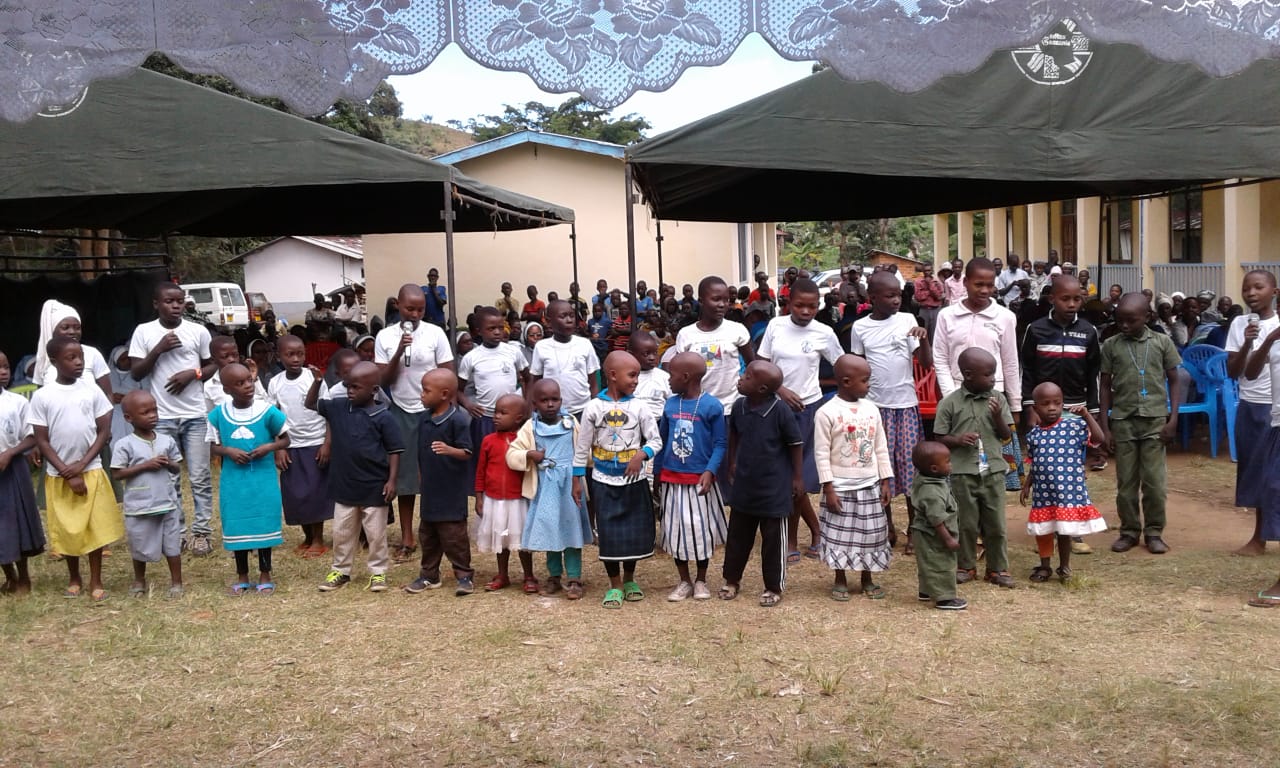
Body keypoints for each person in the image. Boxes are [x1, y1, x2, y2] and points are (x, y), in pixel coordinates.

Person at [756, 278, 842, 563]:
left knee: (797, 477)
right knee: (784, 476)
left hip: (808, 409)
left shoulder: (824, 332)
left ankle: (795, 538)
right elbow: (762, 365)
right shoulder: (775, 326)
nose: (806, 311)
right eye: (799, 305)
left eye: (812, 306)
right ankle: (814, 531)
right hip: (776, 408)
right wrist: (779, 389)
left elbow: (842, 366)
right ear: (788, 303)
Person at [296, 361, 400, 592]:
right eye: (347, 386)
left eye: (356, 387)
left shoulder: (383, 416)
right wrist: (317, 381)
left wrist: (392, 480)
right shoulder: (338, 407)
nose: (349, 391)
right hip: (344, 485)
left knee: (376, 534)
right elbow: (310, 403)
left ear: (374, 390)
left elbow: (395, 450)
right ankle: (341, 571)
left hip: (374, 486)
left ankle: (378, 572)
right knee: (342, 532)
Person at [1019, 275, 1105, 553]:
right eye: (1065, 299)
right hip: (1042, 412)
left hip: (1074, 411)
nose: (1071, 304)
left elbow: (1094, 374)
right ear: (1051, 299)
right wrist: (1029, 408)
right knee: (1045, 471)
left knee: (1072, 473)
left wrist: (1092, 412)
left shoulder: (1089, 331)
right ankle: (1046, 530)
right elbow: (1027, 370)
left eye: (1077, 299)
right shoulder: (1036, 329)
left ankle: (1072, 530)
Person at [128, 282, 215, 555]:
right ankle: (178, 533)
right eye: (169, 301)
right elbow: (136, 372)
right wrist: (159, 349)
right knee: (170, 479)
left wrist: (194, 374)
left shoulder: (197, 331)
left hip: (195, 415)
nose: (176, 306)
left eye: (179, 301)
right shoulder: (144, 331)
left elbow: (213, 364)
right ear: (156, 304)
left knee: (200, 477)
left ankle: (202, 533)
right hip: (162, 417)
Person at [29, 337, 119, 601]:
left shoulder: (92, 391)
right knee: (68, 528)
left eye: (80, 357)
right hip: (59, 476)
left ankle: (96, 579)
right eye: (71, 358)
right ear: (54, 361)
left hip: (91, 470)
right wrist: (66, 471)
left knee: (94, 527)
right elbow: (42, 440)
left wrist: (81, 464)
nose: (78, 362)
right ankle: (74, 577)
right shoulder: (43, 396)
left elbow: (103, 431)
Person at [849, 271, 931, 555]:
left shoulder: (907, 320)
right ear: (872, 298)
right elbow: (857, 368)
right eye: (890, 295)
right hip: (874, 408)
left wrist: (924, 339)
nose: (896, 300)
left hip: (905, 406)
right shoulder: (860, 328)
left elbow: (926, 362)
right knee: (878, 468)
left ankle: (914, 529)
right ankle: (886, 526)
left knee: (909, 467)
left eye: (899, 295)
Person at [573, 352, 661, 609]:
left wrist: (641, 455)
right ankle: (615, 584)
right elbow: (582, 447)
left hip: (634, 481)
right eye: (631, 375)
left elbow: (656, 440)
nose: (636, 380)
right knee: (609, 533)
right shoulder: (593, 407)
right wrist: (577, 479)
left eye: (637, 375)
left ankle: (630, 579)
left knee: (632, 532)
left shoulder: (640, 407)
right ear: (612, 375)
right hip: (602, 480)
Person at [374, 284, 454, 563]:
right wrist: (399, 351)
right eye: (410, 309)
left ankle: (438, 533)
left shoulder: (435, 333)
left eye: (420, 309)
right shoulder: (385, 336)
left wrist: (446, 409)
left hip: (433, 411)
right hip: (401, 409)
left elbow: (448, 373)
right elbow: (382, 380)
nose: (415, 314)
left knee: (434, 474)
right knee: (406, 478)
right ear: (398, 305)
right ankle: (407, 537)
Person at [1099, 293, 1182, 555]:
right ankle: (1129, 531)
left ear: (1147, 317)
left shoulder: (1162, 342)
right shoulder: (1111, 345)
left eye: (1131, 320)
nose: (1124, 325)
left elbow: (1175, 380)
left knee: (1155, 483)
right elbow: (1104, 386)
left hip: (1154, 421)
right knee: (1126, 483)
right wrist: (1105, 426)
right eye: (1120, 320)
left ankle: (1154, 532)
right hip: (1123, 421)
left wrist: (1173, 418)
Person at [934, 257, 1024, 492]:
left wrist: (1015, 404)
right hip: (956, 394)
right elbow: (940, 359)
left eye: (990, 285)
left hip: (992, 396)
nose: (984, 290)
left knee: (992, 456)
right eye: (978, 284)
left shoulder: (1005, 317)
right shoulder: (947, 316)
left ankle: (991, 502)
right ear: (965, 282)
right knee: (962, 455)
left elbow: (1010, 361)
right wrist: (951, 395)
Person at [720, 360, 803, 608]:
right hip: (745, 484)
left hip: (773, 488)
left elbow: (795, 444)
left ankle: (773, 587)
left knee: (773, 541)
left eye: (747, 376)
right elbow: (734, 434)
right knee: (738, 536)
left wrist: (797, 478)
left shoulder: (780, 411)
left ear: (762, 388)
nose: (741, 378)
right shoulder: (739, 406)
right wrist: (732, 462)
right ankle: (731, 580)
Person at [815, 355, 894, 601]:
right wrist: (828, 488)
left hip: (869, 484)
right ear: (846, 381)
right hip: (840, 487)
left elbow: (880, 446)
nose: (869, 385)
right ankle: (840, 578)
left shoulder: (871, 409)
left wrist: (885, 480)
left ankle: (867, 578)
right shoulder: (826, 413)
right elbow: (821, 453)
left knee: (871, 534)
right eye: (865, 380)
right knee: (839, 535)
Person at [935, 348, 1015, 588]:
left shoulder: (998, 399)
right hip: (963, 473)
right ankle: (966, 566)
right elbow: (939, 437)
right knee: (966, 523)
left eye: (994, 374)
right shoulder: (950, 402)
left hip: (993, 472)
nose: (993, 379)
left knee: (996, 524)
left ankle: (997, 569)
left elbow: (1006, 436)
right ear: (968, 375)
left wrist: (998, 416)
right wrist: (958, 440)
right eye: (988, 374)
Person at [206, 363, 289, 594]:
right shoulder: (218, 414)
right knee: (236, 523)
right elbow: (213, 446)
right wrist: (229, 451)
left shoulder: (267, 411)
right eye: (240, 383)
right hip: (234, 481)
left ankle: (265, 573)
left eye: (249, 380)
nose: (247, 386)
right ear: (226, 389)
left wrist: (268, 447)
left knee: (263, 523)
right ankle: (242, 574)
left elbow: (286, 439)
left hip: (263, 479)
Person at [654, 352, 727, 602]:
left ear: (686, 377)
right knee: (676, 531)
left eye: (671, 374)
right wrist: (657, 474)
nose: (668, 379)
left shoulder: (712, 406)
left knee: (700, 530)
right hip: (672, 479)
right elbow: (662, 441)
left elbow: (720, 443)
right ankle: (684, 580)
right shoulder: (670, 405)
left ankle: (701, 580)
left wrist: (710, 470)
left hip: (699, 481)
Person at [1019, 382, 1107, 584]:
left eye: (1057, 403)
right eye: (1045, 404)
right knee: (1044, 529)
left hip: (1066, 492)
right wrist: (1027, 485)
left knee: (1064, 530)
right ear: (1035, 408)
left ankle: (1064, 566)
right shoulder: (1034, 435)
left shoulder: (1073, 426)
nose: (1052, 408)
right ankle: (1045, 566)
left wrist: (1086, 415)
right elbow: (1035, 462)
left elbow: (1099, 438)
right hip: (1043, 493)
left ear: (1062, 404)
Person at [111, 390, 184, 598]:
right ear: (129, 418)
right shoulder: (124, 444)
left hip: (167, 502)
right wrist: (145, 465)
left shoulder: (166, 440)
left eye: (154, 411)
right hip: (140, 505)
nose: (152, 416)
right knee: (139, 543)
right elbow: (117, 473)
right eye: (145, 413)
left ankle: (176, 582)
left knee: (172, 544)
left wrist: (168, 463)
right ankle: (139, 580)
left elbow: (177, 467)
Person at [1226, 271, 1280, 556]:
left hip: (1276, 407)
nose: (1251, 293)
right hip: (1252, 405)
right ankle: (1259, 537)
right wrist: (1248, 341)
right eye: (1246, 288)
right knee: (1256, 471)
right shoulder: (1239, 324)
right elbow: (1235, 372)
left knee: (1274, 475)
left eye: (1259, 287)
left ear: (1274, 291)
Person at [268, 336, 332, 558]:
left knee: (315, 493)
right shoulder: (275, 382)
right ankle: (307, 536)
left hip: (315, 442)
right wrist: (278, 447)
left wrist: (327, 443)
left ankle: (318, 539)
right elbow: (273, 417)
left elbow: (329, 413)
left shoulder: (315, 378)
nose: (296, 359)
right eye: (290, 354)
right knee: (296, 493)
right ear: (279, 356)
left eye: (300, 354)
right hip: (290, 444)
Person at [674, 276, 755, 420]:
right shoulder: (686, 334)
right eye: (716, 299)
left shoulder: (737, 330)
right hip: (698, 409)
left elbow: (752, 365)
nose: (722, 304)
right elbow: (680, 373)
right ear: (701, 301)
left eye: (726, 300)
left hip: (731, 407)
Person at [0, 349, 42, 595]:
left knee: (17, 522)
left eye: (6, 367)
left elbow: (32, 436)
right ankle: (10, 577)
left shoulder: (17, 402)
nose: (3, 372)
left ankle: (24, 576)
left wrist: (9, 453)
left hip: (13, 468)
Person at [459, 306, 529, 441]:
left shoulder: (513, 351)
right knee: (485, 451)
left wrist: (526, 404)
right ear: (479, 331)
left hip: (511, 418)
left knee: (512, 451)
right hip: (485, 418)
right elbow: (458, 390)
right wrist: (468, 405)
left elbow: (528, 378)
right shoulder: (471, 357)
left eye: (500, 328)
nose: (497, 332)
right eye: (491, 329)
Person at [910, 441, 966, 610]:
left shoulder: (928, 480)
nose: (951, 464)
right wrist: (948, 539)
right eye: (947, 461)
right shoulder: (931, 492)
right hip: (933, 535)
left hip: (924, 533)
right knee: (941, 564)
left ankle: (926, 591)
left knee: (928, 563)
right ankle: (944, 598)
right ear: (934, 468)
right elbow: (936, 519)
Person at [531, 300, 601, 419]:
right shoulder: (541, 347)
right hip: (552, 413)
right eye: (563, 316)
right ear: (549, 321)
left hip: (583, 410)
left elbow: (593, 382)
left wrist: (596, 409)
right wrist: (534, 411)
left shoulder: (584, 344)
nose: (569, 320)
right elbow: (536, 382)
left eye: (572, 316)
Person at [630, 333, 671, 424]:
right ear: (631, 354)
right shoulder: (625, 376)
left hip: (658, 423)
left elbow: (672, 401)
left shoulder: (664, 377)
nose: (652, 358)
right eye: (646, 354)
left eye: (655, 353)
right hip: (631, 424)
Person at [912, 264, 944, 340]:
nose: (927, 272)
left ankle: (933, 347)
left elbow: (938, 297)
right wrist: (930, 291)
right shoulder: (918, 282)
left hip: (935, 310)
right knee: (922, 333)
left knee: (935, 334)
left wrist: (929, 285)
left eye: (929, 270)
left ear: (932, 271)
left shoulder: (937, 282)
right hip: (924, 310)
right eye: (925, 271)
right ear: (923, 271)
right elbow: (918, 297)